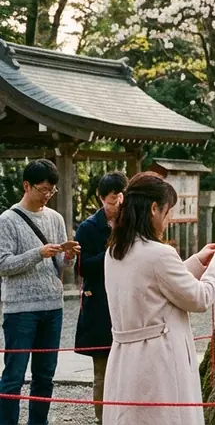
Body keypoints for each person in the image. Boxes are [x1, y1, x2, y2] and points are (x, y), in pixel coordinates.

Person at [103, 172, 215, 425]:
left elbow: (157, 284)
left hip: (126, 358)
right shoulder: (160, 254)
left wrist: (197, 261)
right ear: (153, 209)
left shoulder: (115, 251)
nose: (168, 219)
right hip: (158, 359)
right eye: (167, 211)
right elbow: (199, 298)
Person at [0, 159, 79, 425]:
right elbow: (3, 265)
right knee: (14, 376)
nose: (47, 195)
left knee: (45, 376)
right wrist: (38, 253)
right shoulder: (7, 220)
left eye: (52, 190)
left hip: (52, 307)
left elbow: (60, 266)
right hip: (20, 309)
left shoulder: (55, 218)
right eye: (43, 189)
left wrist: (68, 256)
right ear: (27, 185)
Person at [75, 171, 128, 423]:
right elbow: (83, 267)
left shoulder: (130, 223)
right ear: (100, 198)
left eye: (120, 199)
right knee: (102, 371)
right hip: (99, 304)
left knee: (129, 368)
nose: (116, 205)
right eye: (111, 200)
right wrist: (112, 252)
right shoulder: (87, 228)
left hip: (127, 300)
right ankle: (102, 418)